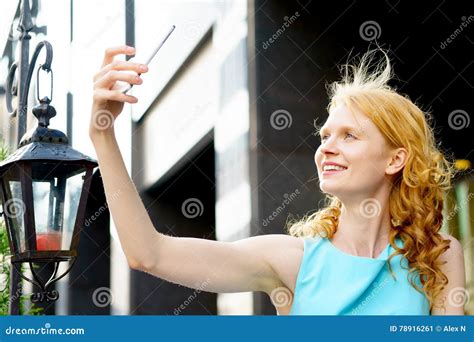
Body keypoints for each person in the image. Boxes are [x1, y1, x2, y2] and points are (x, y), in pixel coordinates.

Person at [89, 46, 466, 315]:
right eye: (325, 136)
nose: (327, 148)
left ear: (395, 159)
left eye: (349, 136)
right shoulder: (290, 260)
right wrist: (102, 135)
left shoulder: (437, 256)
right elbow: (147, 253)